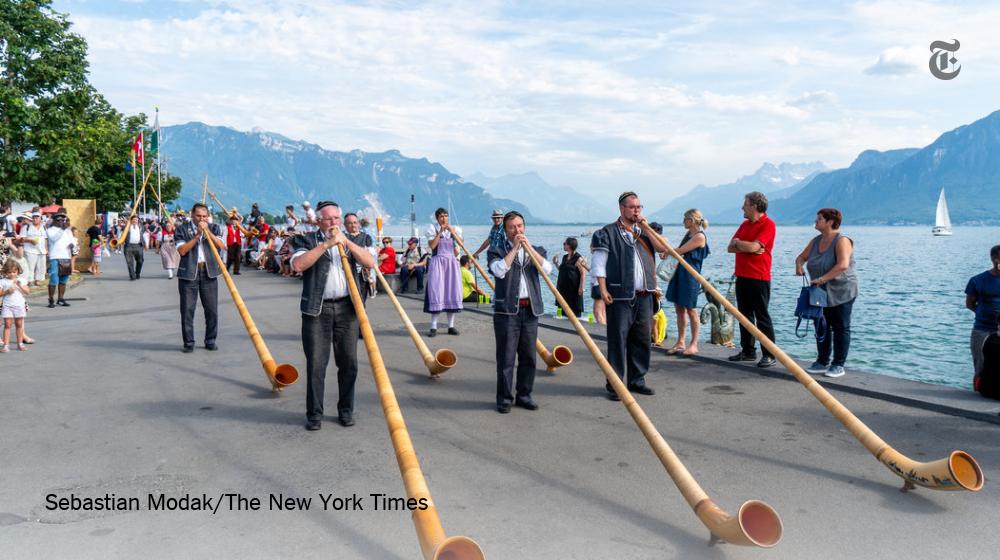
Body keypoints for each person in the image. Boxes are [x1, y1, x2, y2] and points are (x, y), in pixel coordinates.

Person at [291, 201, 374, 431]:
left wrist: (346, 242)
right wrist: (327, 244)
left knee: (349, 363)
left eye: (337, 218)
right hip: (317, 310)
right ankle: (314, 415)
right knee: (316, 365)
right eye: (329, 219)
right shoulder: (306, 240)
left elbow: (370, 262)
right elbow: (298, 265)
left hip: (348, 308)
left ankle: (346, 411)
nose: (334, 223)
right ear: (319, 221)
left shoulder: (352, 240)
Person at [591, 192, 669, 400]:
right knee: (617, 341)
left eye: (639, 207)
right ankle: (615, 385)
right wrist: (603, 290)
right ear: (622, 209)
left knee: (642, 339)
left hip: (644, 295)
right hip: (619, 296)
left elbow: (663, 248)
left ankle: (637, 380)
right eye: (632, 207)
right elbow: (598, 265)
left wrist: (647, 228)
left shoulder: (645, 232)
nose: (637, 211)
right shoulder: (607, 233)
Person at [488, 211, 552, 413]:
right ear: (506, 230)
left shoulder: (536, 250)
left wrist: (529, 249)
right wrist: (515, 248)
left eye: (520, 226)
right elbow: (499, 271)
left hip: (530, 310)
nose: (517, 230)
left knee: (529, 357)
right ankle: (504, 399)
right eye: (512, 227)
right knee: (506, 358)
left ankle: (524, 395)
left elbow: (547, 269)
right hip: (507, 311)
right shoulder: (496, 250)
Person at [794, 208, 859, 378]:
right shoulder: (816, 241)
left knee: (841, 327)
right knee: (821, 325)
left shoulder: (842, 240)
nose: (815, 221)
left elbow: (843, 265)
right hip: (820, 292)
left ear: (830, 222)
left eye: (819, 219)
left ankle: (838, 364)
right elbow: (801, 257)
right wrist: (799, 266)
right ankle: (822, 361)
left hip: (842, 291)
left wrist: (822, 279)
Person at [727, 191, 777, 368]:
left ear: (754, 206)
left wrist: (740, 243)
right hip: (742, 275)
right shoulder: (745, 224)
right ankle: (748, 351)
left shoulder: (768, 225)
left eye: (745, 204)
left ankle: (769, 354)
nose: (742, 207)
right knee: (744, 316)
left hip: (759, 277)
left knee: (762, 316)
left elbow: (754, 247)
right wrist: (745, 246)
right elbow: (730, 247)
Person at [175, 203, 226, 353]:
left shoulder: (214, 227)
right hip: (188, 273)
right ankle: (188, 343)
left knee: (212, 310)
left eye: (204, 216)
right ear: (192, 215)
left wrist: (207, 232)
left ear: (208, 216)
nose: (201, 219)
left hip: (209, 272)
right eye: (198, 216)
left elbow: (221, 246)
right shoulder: (182, 229)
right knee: (187, 310)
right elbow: (182, 251)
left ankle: (210, 340)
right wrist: (197, 235)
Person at [665, 209, 711, 356]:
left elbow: (680, 251)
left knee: (691, 309)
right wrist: (669, 252)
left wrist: (667, 251)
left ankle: (694, 344)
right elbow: (679, 252)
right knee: (679, 308)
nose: (683, 221)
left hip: (690, 277)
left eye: (685, 219)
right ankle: (680, 342)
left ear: (691, 220)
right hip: (680, 273)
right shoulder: (689, 234)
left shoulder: (699, 236)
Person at [425, 208, 463, 337]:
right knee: (437, 292)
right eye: (441, 216)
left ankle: (451, 326)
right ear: (437, 218)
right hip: (438, 263)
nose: (444, 218)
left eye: (446, 216)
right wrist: (440, 232)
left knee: (451, 292)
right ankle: (433, 326)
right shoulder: (432, 229)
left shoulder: (454, 229)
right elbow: (432, 246)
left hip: (451, 263)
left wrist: (453, 232)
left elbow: (461, 245)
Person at [966, 245, 1000, 390]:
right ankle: (977, 393)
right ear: (993, 258)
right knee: (980, 364)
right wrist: (982, 314)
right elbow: (969, 304)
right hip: (982, 329)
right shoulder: (977, 280)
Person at [0, 259, 31, 352]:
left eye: (14, 272)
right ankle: (6, 345)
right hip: (7, 305)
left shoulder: (21, 280)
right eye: (9, 272)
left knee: (19, 324)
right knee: (7, 325)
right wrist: (7, 291)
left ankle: (20, 343)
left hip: (19, 305)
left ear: (18, 271)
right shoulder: (3, 281)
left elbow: (27, 292)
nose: (12, 274)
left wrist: (20, 286)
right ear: (5, 272)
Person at [344, 213, 374, 303]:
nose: (353, 225)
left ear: (358, 223)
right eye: (350, 223)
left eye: (355, 222)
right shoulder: (341, 236)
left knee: (361, 300)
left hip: (362, 274)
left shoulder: (366, 237)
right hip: (345, 273)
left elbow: (370, 254)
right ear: (345, 224)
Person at [46, 214, 75, 307]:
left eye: (63, 220)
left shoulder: (68, 230)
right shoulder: (50, 230)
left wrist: (72, 244)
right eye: (59, 220)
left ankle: (61, 299)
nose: (61, 222)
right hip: (55, 257)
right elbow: (54, 238)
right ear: (54, 221)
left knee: (64, 279)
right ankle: (51, 300)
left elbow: (72, 240)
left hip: (66, 256)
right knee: (54, 279)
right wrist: (62, 229)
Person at [554, 237, 586, 318]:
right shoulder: (564, 257)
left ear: (569, 246)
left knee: (574, 310)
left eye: (564, 244)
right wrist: (556, 263)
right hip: (562, 288)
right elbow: (562, 270)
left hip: (573, 289)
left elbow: (583, 273)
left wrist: (581, 287)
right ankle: (559, 320)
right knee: (561, 309)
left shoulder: (578, 258)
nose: (563, 245)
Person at [22, 213, 47, 287]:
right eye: (33, 218)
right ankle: (30, 281)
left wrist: (46, 249)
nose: (35, 219)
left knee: (41, 266)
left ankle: (38, 280)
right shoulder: (26, 227)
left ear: (40, 219)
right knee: (30, 266)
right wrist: (30, 240)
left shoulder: (44, 227)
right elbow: (21, 238)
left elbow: (45, 239)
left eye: (37, 218)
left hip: (42, 250)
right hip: (30, 250)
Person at [123, 215, 145, 281]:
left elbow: (142, 234)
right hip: (128, 246)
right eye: (133, 219)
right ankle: (132, 276)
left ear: (138, 220)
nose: (135, 221)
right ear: (131, 220)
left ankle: (137, 273)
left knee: (140, 261)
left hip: (138, 245)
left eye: (136, 219)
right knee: (129, 262)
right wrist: (126, 223)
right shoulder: (127, 226)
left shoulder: (141, 227)